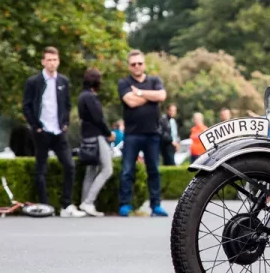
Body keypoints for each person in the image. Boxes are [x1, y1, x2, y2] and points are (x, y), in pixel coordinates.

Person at [23, 46, 81, 217]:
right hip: (42, 130)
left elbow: (67, 104)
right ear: (43, 62)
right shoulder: (33, 82)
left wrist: (65, 123)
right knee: (41, 168)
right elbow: (26, 106)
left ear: (59, 61)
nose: (52, 63)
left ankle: (66, 205)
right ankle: (45, 205)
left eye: (55, 60)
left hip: (58, 131)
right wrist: (36, 126)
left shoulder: (63, 81)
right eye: (49, 60)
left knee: (70, 166)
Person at [117, 49, 169, 217]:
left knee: (154, 170)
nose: (137, 66)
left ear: (144, 64)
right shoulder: (124, 83)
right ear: (129, 66)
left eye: (139, 63)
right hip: (132, 134)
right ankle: (125, 204)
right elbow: (130, 102)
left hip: (152, 133)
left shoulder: (154, 80)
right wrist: (151, 97)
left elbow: (162, 96)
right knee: (127, 170)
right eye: (133, 64)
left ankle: (156, 205)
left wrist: (139, 93)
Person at [78, 68, 115, 217]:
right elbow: (98, 119)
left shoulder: (82, 96)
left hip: (86, 136)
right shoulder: (90, 97)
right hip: (97, 136)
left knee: (91, 171)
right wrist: (108, 133)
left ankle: (84, 203)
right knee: (107, 169)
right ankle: (88, 202)